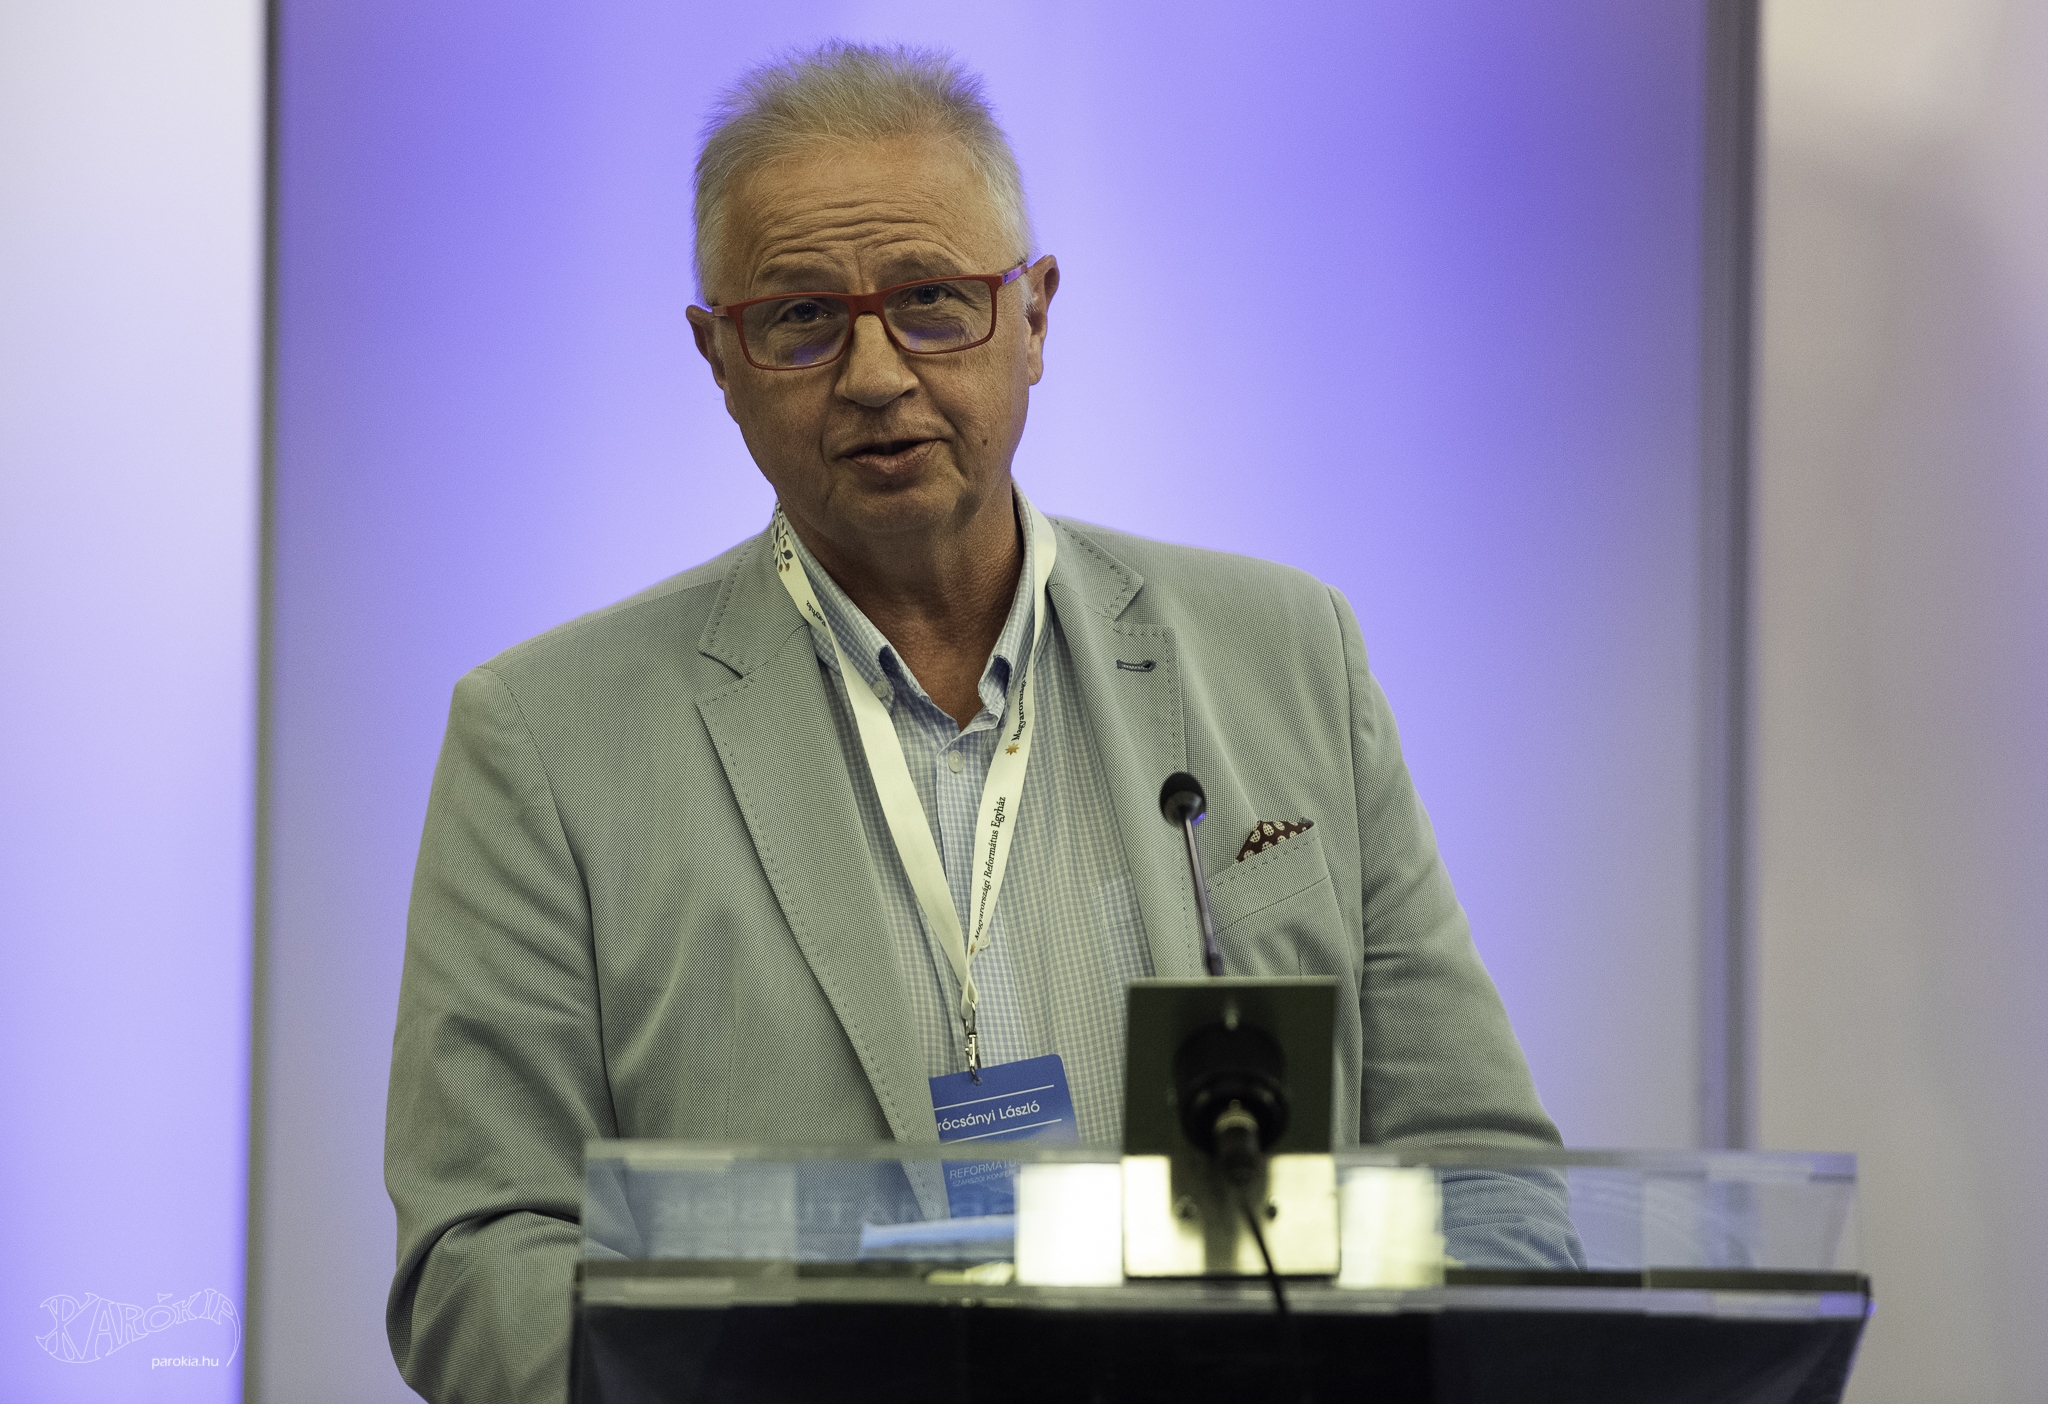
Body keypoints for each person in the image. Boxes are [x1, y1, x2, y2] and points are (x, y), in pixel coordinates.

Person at [384, 41, 1570, 1404]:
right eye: (801, 318)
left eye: (933, 302)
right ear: (719, 357)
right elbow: (481, 1260)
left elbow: (1484, 1175)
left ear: (1035, 316)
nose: (874, 372)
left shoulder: (1288, 653)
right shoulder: (545, 739)